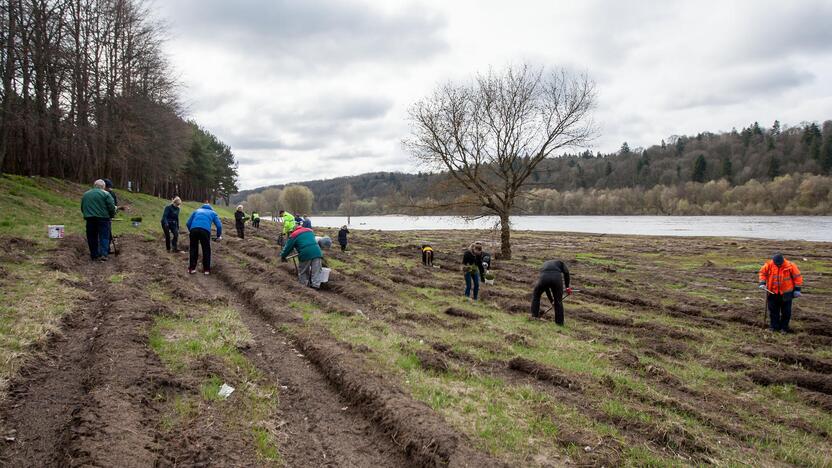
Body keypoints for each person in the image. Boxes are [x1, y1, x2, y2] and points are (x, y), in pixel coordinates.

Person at [759, 253, 803, 333]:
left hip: (786, 293)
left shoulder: (791, 266)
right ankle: (774, 327)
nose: (778, 265)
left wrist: (797, 290)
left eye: (780, 264)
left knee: (786, 312)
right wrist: (762, 283)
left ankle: (784, 328)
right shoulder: (769, 265)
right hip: (772, 292)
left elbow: (798, 277)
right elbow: (762, 273)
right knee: (773, 311)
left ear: (783, 261)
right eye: (777, 264)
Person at [81, 179, 116, 261]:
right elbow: (111, 207)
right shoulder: (106, 194)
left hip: (90, 219)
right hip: (103, 219)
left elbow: (83, 207)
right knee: (104, 236)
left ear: (94, 185)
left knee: (92, 237)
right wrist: (111, 216)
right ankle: (104, 254)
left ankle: (94, 254)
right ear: (103, 186)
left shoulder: (86, 194)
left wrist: (87, 215)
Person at [280, 224, 324, 289]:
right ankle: (315, 286)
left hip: (305, 253)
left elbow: (288, 248)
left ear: (293, 230)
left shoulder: (294, 235)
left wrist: (283, 256)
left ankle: (304, 286)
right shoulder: (309, 231)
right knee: (316, 271)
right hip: (317, 252)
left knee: (303, 271)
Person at [531, 260, 572, 325]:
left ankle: (534, 316)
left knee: (536, 295)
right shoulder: (561, 263)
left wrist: (551, 300)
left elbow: (546, 288)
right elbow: (566, 272)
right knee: (558, 301)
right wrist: (567, 287)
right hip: (556, 279)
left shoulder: (544, 264)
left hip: (544, 277)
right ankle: (559, 323)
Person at [186, 202, 223, 275]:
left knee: (193, 248)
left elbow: (188, 223)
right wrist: (218, 236)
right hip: (205, 231)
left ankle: (192, 269)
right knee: (206, 249)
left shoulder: (196, 211)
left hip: (194, 230)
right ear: (211, 208)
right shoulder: (213, 213)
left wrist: (192, 231)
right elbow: (219, 226)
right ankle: (206, 270)